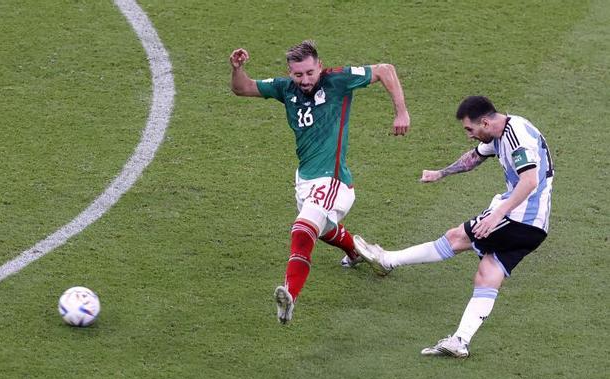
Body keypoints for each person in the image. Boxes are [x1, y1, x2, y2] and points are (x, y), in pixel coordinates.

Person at [354, 95, 554, 357]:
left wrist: (496, 216)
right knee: (488, 273)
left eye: (470, 129)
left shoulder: (517, 138)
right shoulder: (499, 132)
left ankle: (387, 260)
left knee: (456, 238)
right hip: (535, 228)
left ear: (484, 122)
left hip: (519, 216)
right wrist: (441, 173)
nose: (469, 136)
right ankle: (460, 340)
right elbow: (474, 158)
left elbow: (529, 181)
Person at [229, 40, 410, 324]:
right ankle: (357, 251)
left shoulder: (337, 80)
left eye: (310, 73)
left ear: (320, 67)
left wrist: (401, 112)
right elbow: (242, 88)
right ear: (290, 73)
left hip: (334, 181)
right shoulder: (284, 89)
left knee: (302, 230)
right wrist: (237, 69)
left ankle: (290, 296)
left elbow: (385, 69)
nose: (305, 80)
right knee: (320, 229)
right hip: (305, 180)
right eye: (298, 74)